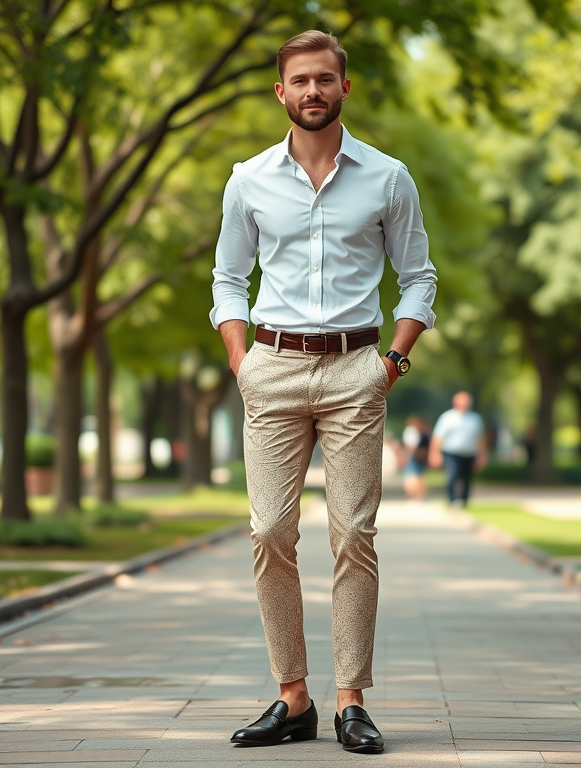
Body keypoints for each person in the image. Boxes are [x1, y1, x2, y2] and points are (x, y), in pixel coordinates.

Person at [211, 30, 436, 754]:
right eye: (299, 80)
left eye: (325, 80)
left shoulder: (388, 177)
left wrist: (391, 363)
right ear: (281, 91)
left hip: (355, 371)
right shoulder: (247, 178)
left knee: (354, 535)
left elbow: (420, 277)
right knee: (270, 531)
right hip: (271, 368)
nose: (313, 91)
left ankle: (350, 702)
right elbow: (226, 279)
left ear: (345, 88)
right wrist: (243, 362)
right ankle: (292, 698)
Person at [429, 392, 487, 507]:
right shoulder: (447, 417)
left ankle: (464, 501)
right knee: (452, 476)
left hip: (469, 453)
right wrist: (434, 453)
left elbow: (480, 438)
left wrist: (482, 455)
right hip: (452, 453)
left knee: (467, 479)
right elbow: (438, 437)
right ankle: (452, 500)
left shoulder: (475, 418)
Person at [400, 416, 431, 501]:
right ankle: (419, 495)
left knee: (411, 477)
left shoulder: (412, 432)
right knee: (419, 476)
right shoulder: (425, 434)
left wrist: (406, 456)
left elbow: (410, 446)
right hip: (421, 456)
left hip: (414, 456)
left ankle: (414, 495)